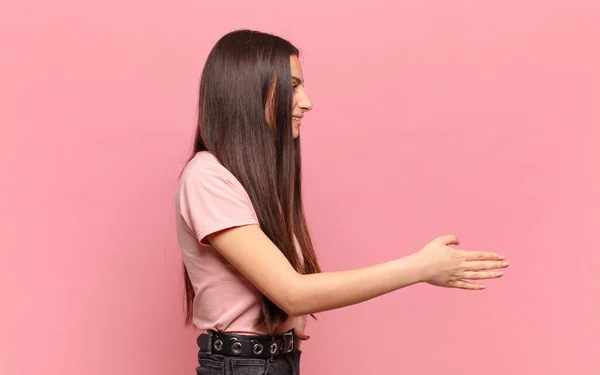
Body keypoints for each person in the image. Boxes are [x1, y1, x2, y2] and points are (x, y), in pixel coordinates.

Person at [175, 29, 509, 375]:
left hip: (270, 362)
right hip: (244, 365)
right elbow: (291, 292)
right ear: (248, 90)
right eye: (292, 86)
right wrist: (420, 268)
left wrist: (286, 327)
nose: (307, 101)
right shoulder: (207, 177)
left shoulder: (250, 182)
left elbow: (285, 295)